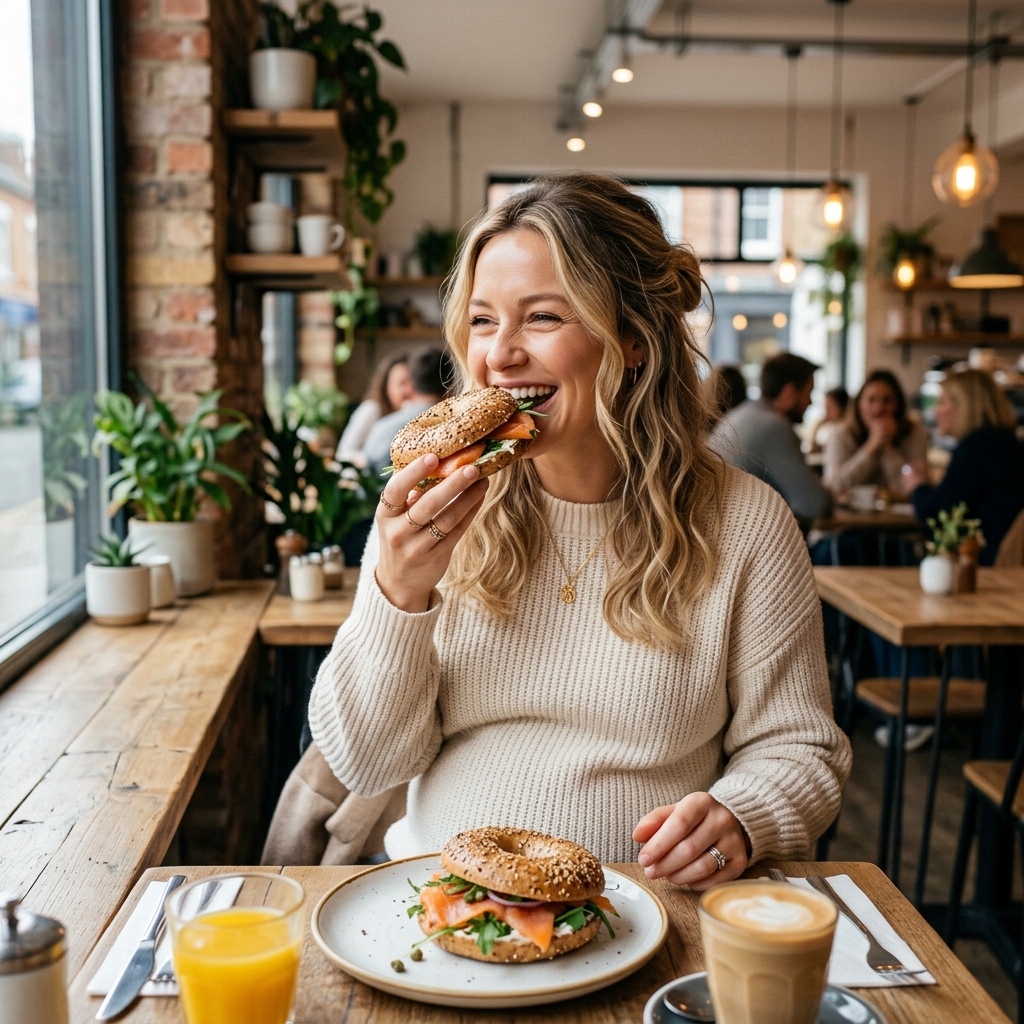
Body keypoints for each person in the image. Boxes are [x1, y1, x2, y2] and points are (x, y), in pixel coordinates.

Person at [307, 172, 850, 886]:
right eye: (481, 320)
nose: (498, 354)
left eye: (542, 317)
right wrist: (397, 594)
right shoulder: (435, 513)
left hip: (654, 911)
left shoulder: (746, 523)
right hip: (437, 894)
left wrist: (744, 815)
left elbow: (801, 747)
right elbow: (368, 763)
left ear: (630, 338)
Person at [903, 368, 1024, 564]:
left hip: (992, 563)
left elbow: (938, 512)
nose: (935, 411)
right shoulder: (1006, 442)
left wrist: (916, 486)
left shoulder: (977, 448)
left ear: (964, 405)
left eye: (942, 402)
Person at [709, 352, 833, 525]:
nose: (811, 402)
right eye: (809, 393)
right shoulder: (773, 426)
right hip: (735, 539)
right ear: (789, 392)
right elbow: (817, 505)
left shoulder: (745, 413)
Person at [823, 371, 928, 496]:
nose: (879, 408)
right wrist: (871, 447)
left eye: (887, 400)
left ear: (898, 405)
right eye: (871, 400)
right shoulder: (840, 434)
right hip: (850, 514)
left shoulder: (914, 432)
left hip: (900, 514)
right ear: (859, 405)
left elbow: (917, 487)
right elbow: (834, 486)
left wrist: (887, 448)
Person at [361, 344, 449, 477]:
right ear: (451, 386)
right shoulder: (459, 427)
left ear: (409, 385)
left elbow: (366, 477)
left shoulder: (382, 428)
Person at [335, 351, 411, 466]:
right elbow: (344, 453)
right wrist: (369, 460)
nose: (407, 390)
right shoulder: (371, 409)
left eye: (411, 383)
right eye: (401, 383)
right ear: (386, 385)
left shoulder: (410, 414)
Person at [805, 386, 849, 454]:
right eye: (825, 407)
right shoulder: (825, 426)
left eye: (830, 407)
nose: (826, 411)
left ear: (841, 407)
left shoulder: (845, 429)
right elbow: (812, 447)